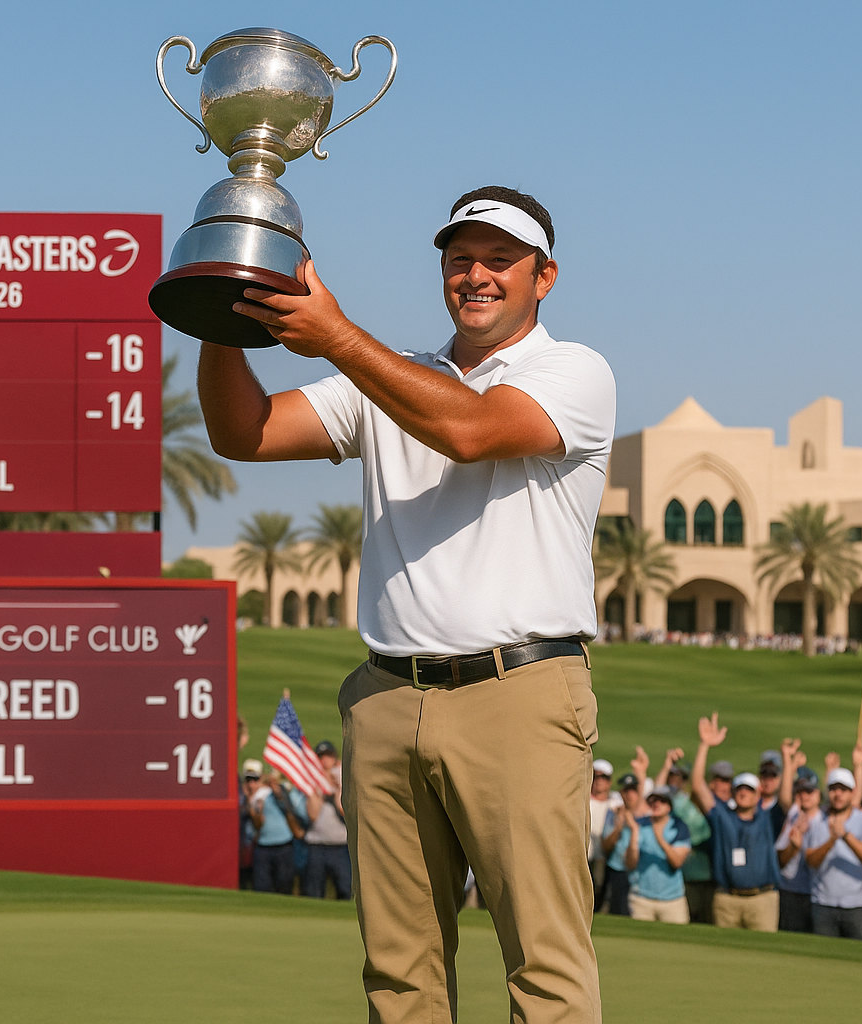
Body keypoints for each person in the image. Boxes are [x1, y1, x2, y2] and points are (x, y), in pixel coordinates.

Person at [205, 185, 615, 1021]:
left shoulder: (573, 371)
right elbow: (242, 432)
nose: (476, 274)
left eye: (500, 260)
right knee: (399, 974)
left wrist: (338, 337)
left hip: (520, 693)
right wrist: (223, 312)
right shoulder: (389, 378)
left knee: (545, 967)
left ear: (546, 277)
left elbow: (471, 430)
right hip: (388, 699)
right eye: (460, 258)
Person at [690, 714, 787, 931]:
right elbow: (697, 786)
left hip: (762, 899)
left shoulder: (768, 817)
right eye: (740, 789)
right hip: (727, 900)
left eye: (749, 790)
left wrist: (787, 760)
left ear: (758, 794)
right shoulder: (723, 815)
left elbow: (786, 799)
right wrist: (704, 745)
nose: (744, 793)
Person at [805, 761, 862, 941]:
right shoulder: (816, 821)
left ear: (852, 793)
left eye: (843, 790)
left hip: (856, 906)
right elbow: (811, 861)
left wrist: (846, 836)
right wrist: (831, 840)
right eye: (833, 789)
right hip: (823, 903)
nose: (838, 795)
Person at [655, 749, 715, 924]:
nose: (675, 781)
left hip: (706, 875)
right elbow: (657, 793)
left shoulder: (694, 802)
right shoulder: (673, 802)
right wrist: (666, 765)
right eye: (672, 777)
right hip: (684, 877)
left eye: (680, 778)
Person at [624, 788, 692, 923]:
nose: (657, 804)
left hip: (672, 900)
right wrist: (634, 834)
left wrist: (659, 837)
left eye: (662, 801)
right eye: (653, 800)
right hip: (641, 898)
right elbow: (630, 864)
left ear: (669, 806)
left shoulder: (679, 827)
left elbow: (677, 862)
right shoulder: (639, 825)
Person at [776, 765, 822, 933]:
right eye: (801, 792)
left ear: (818, 794)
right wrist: (794, 847)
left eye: (809, 792)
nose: (804, 796)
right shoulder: (793, 817)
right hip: (791, 890)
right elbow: (781, 859)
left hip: (816, 895)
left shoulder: (825, 819)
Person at [302, 741, 351, 899]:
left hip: (339, 846)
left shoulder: (343, 776)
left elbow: (344, 810)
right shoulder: (312, 781)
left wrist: (337, 789)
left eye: (328, 756)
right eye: (321, 757)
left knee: (345, 889)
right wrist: (320, 790)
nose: (325, 761)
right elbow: (313, 815)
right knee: (314, 891)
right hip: (317, 846)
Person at [249, 768, 309, 894]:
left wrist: (281, 796)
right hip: (263, 846)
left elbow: (298, 812)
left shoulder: (287, 794)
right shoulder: (261, 795)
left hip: (284, 845)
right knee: (262, 886)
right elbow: (256, 821)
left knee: (285, 884)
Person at [600, 773, 643, 916]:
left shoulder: (648, 816)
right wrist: (618, 827)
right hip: (617, 871)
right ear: (621, 793)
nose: (630, 795)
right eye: (626, 790)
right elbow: (605, 847)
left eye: (633, 790)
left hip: (640, 875)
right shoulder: (613, 815)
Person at [588, 759, 621, 911]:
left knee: (599, 888)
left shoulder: (615, 803)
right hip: (582, 854)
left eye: (604, 777)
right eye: (596, 776)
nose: (599, 781)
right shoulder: (582, 799)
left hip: (603, 855)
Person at [237, 758, 264, 889]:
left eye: (255, 780)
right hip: (242, 848)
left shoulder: (265, 796)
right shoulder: (240, 798)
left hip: (260, 849)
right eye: (248, 780)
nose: (251, 784)